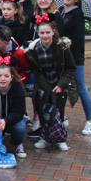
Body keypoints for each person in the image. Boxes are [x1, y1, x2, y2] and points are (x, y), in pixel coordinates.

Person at [24, 18, 78, 151]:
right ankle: (45, 136)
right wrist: (45, 86)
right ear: (38, 33)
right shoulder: (34, 50)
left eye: (48, 32)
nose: (45, 36)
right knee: (43, 111)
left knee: (59, 112)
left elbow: (70, 68)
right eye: (42, 33)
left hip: (59, 85)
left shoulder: (62, 47)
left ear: (53, 32)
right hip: (44, 86)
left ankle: (60, 138)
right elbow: (36, 71)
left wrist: (60, 85)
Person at [60, 0, 91, 135]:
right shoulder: (61, 12)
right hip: (61, 57)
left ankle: (90, 122)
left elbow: (79, 39)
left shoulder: (77, 14)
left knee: (80, 88)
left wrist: (71, 61)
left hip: (74, 59)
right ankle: (61, 118)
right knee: (61, 87)